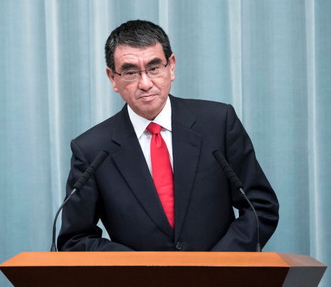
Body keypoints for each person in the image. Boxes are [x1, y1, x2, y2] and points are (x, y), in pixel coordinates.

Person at [57, 20, 279, 251]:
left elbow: (260, 207)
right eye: (131, 72)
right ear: (113, 78)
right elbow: (75, 239)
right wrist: (142, 270)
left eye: (154, 68)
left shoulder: (217, 123)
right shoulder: (92, 150)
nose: (145, 83)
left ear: (171, 67)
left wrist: (216, 268)